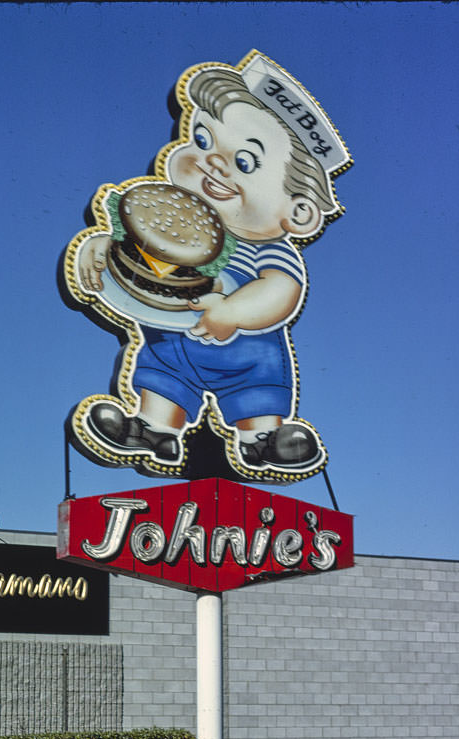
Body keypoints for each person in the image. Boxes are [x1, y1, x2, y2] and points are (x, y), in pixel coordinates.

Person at [73, 60, 346, 475]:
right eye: (202, 140)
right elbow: (127, 258)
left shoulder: (265, 247)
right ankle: (155, 430)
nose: (213, 163)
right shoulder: (170, 226)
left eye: (247, 162)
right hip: (171, 346)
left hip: (247, 358)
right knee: (161, 376)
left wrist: (234, 312)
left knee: (256, 392)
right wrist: (96, 246)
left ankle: (263, 438)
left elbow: (281, 289)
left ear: (300, 211)